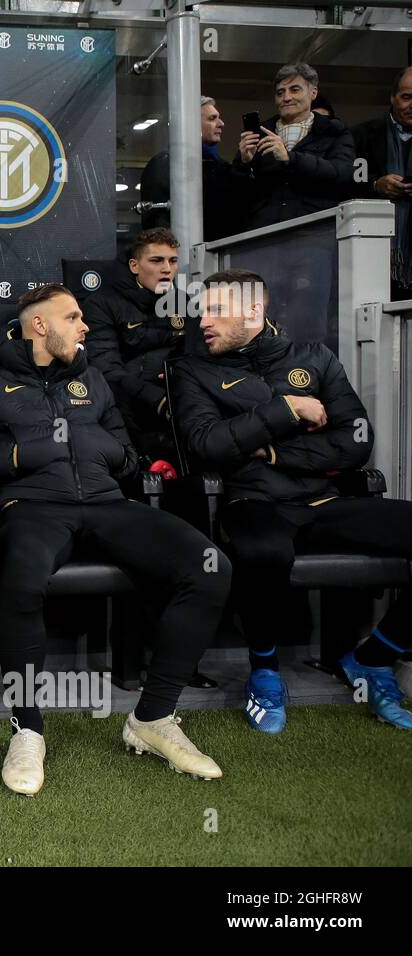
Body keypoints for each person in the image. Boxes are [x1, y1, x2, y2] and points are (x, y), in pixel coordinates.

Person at [0, 283, 230, 796]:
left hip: (106, 504)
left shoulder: (91, 378)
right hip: (31, 507)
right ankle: (27, 728)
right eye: (73, 317)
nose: (85, 326)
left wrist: (108, 452)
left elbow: (128, 456)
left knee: (209, 566)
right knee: (22, 579)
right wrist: (20, 456)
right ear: (40, 325)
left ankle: (153, 718)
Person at [169, 267, 412, 734]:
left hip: (322, 500)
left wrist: (271, 450)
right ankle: (264, 671)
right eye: (202, 311)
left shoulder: (312, 358)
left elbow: (356, 440)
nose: (204, 321)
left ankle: (374, 657)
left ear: (255, 311)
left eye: (217, 310)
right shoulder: (194, 370)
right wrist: (288, 410)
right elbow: (206, 445)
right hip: (252, 502)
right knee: (263, 550)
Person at [82, 228, 184, 465]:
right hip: (129, 402)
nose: (167, 268)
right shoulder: (101, 304)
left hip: (179, 393)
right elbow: (105, 369)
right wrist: (155, 396)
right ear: (134, 266)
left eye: (173, 261)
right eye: (156, 260)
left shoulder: (185, 302)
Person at [234, 63, 355, 230]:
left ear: (313, 93)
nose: (286, 97)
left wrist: (291, 158)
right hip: (264, 234)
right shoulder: (260, 133)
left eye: (295, 90)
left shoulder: (334, 131)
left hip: (315, 231)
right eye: (280, 93)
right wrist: (245, 164)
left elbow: (343, 174)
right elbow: (235, 194)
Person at [139, 96, 246, 241]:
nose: (221, 123)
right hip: (179, 255)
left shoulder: (221, 166)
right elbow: (156, 222)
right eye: (212, 118)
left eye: (218, 118)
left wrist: (244, 164)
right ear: (192, 124)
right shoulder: (165, 163)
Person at [350, 66, 412, 298]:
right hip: (372, 252)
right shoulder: (362, 135)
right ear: (393, 97)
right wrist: (377, 186)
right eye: (407, 97)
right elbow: (344, 187)